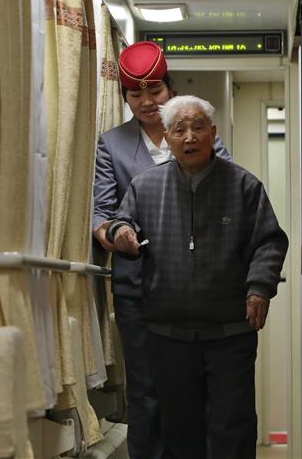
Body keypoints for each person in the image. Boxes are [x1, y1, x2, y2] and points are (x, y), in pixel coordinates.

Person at [107, 95, 288, 459]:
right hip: (168, 335)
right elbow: (120, 222)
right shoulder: (145, 186)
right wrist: (120, 233)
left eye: (198, 127)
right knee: (179, 429)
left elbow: (269, 242)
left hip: (230, 334)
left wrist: (258, 289)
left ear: (213, 133)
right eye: (179, 129)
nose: (189, 137)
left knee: (231, 429)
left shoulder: (244, 186)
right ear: (168, 137)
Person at [92, 42, 231, 459]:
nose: (147, 102)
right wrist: (115, 236)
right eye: (136, 95)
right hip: (138, 287)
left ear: (169, 88)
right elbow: (102, 212)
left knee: (197, 391)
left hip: (198, 288)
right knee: (147, 390)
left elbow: (227, 194)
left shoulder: (197, 132)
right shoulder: (112, 144)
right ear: (125, 97)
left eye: (155, 91)